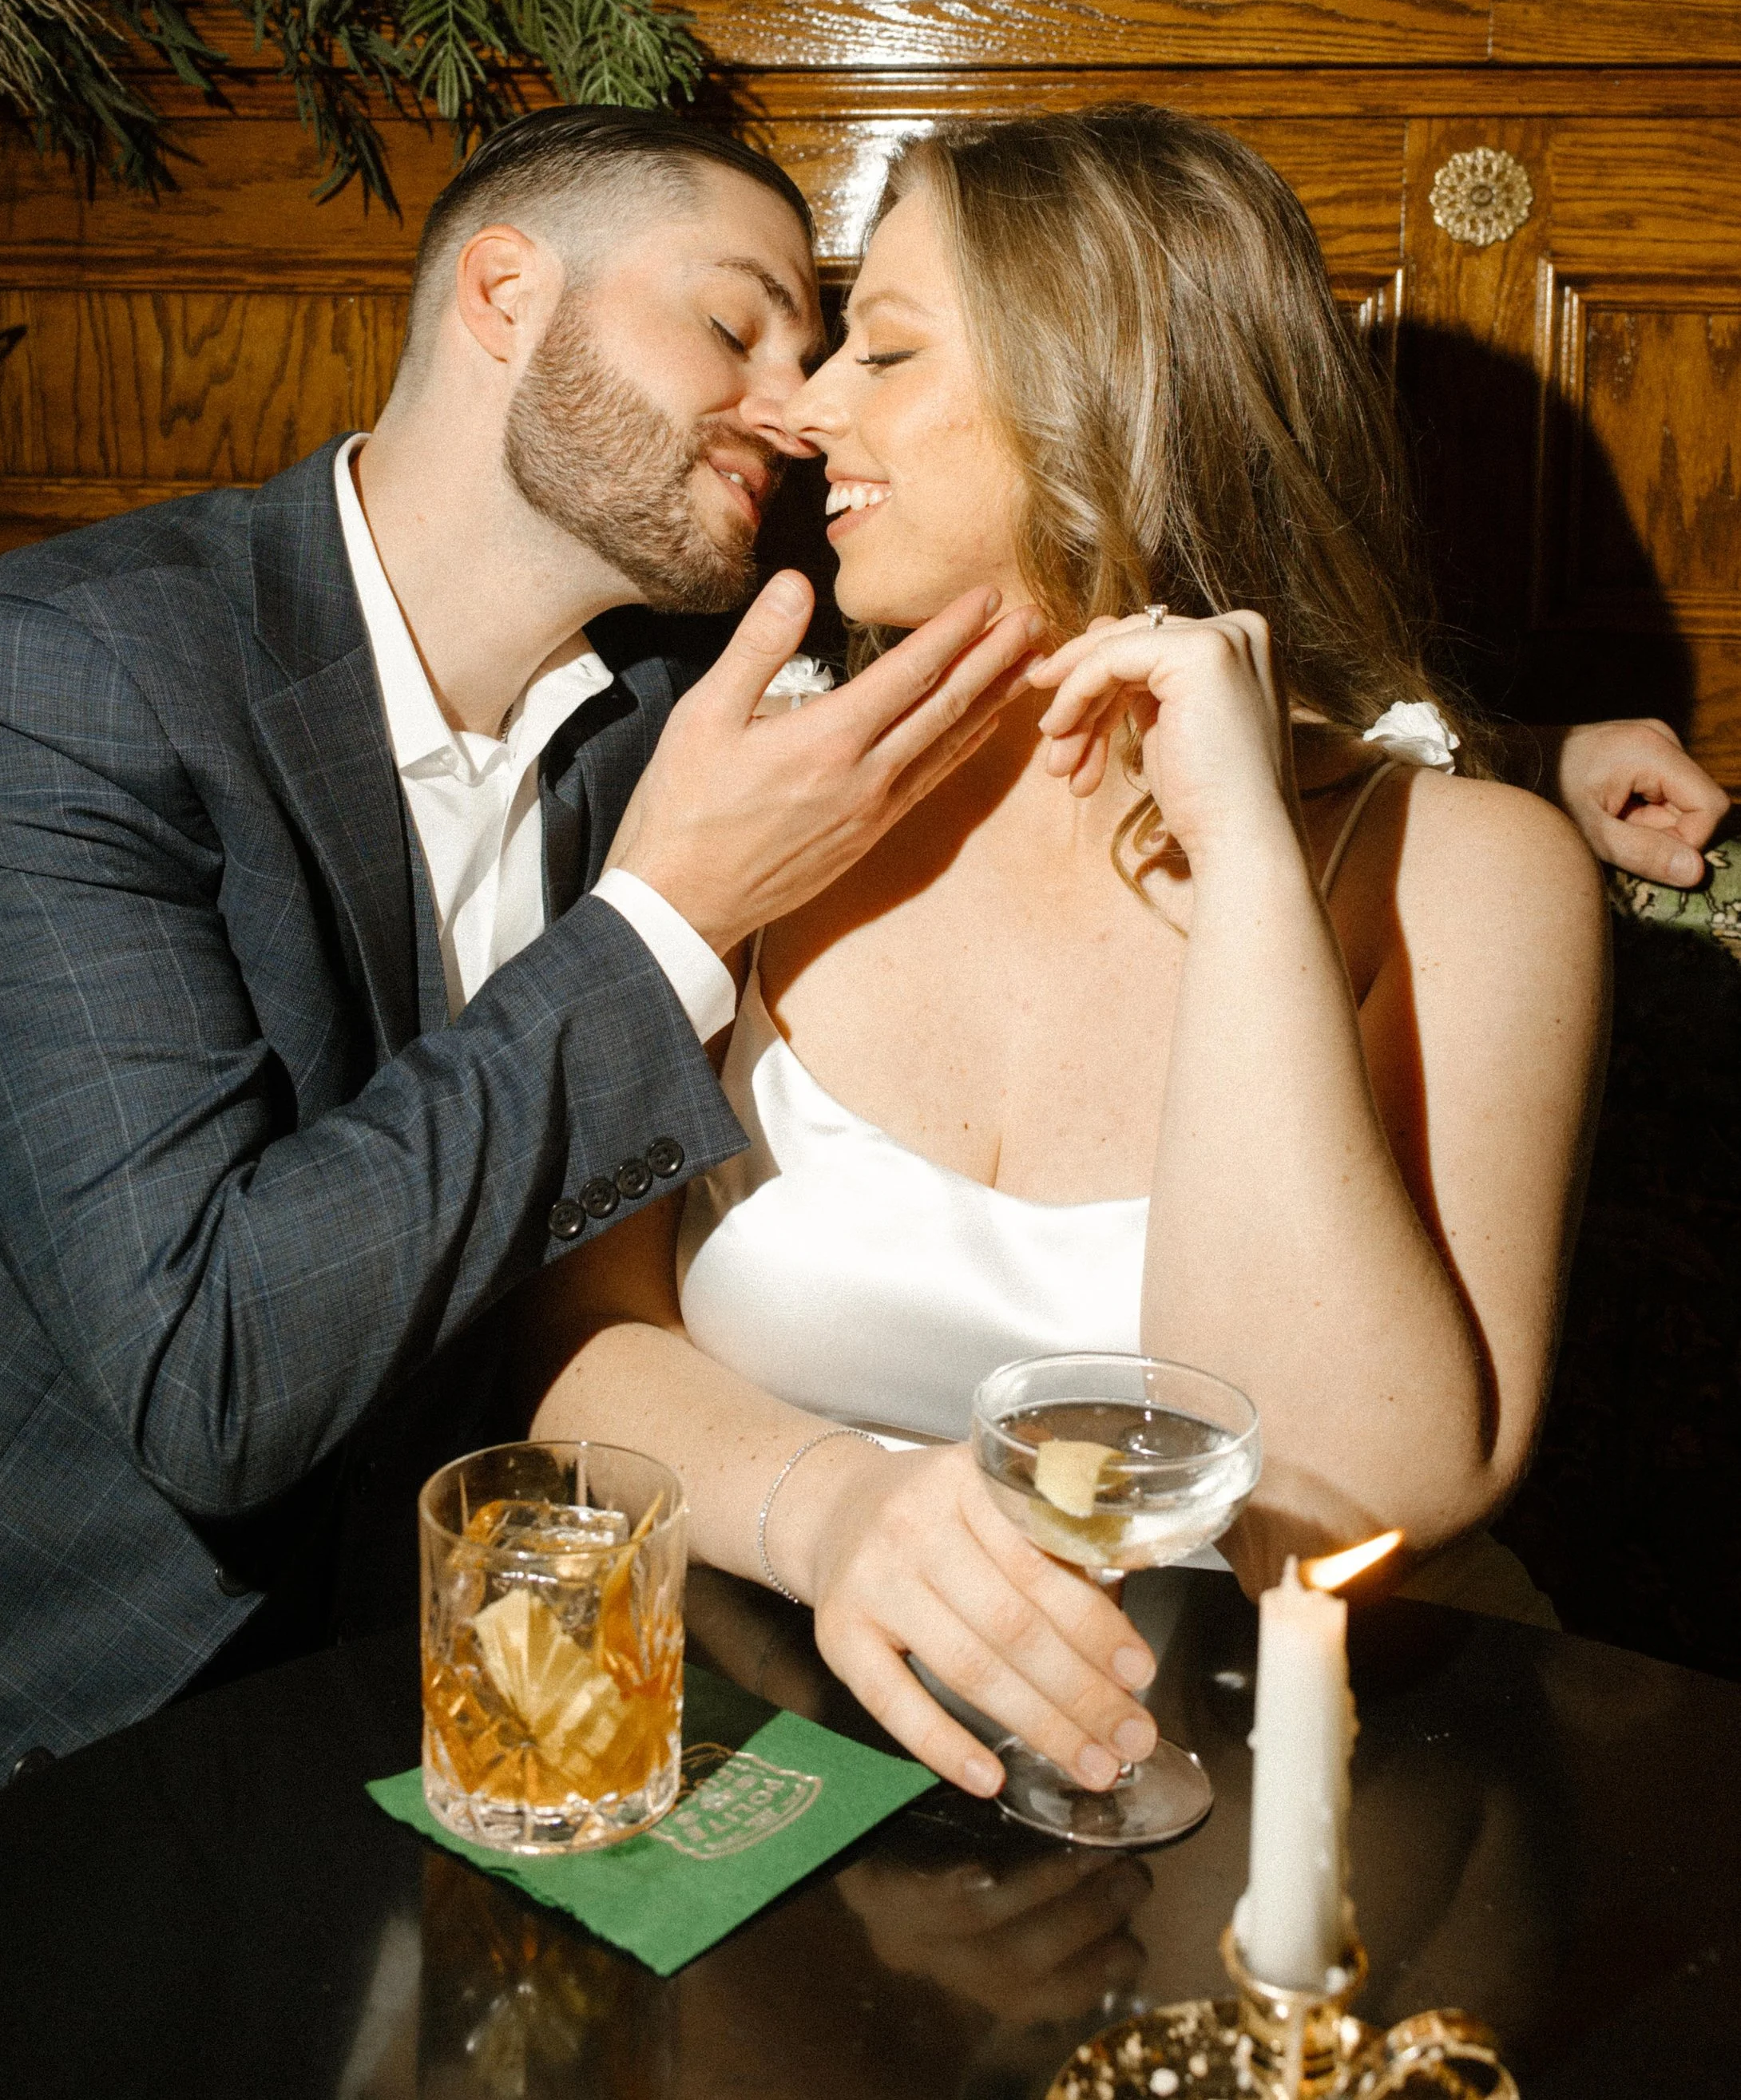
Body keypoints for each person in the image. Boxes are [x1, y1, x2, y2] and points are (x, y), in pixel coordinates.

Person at [0, 108, 1046, 1957]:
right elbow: (206, 1371)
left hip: (420, 1749)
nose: (799, 403)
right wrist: (665, 918)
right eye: (739, 326)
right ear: (505, 295)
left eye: (830, 350)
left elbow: (1060, 613)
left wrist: (1489, 769)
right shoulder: (55, 677)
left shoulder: (682, 691)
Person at [525, 105, 1707, 1812]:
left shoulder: (1471, 874)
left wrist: (1242, 874)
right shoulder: (743, 786)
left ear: (1107, 400)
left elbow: (1346, 1488)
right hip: (770, 1753)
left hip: (1309, 1785)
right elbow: (561, 1338)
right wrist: (835, 1513)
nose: (806, 407)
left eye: (888, 348)